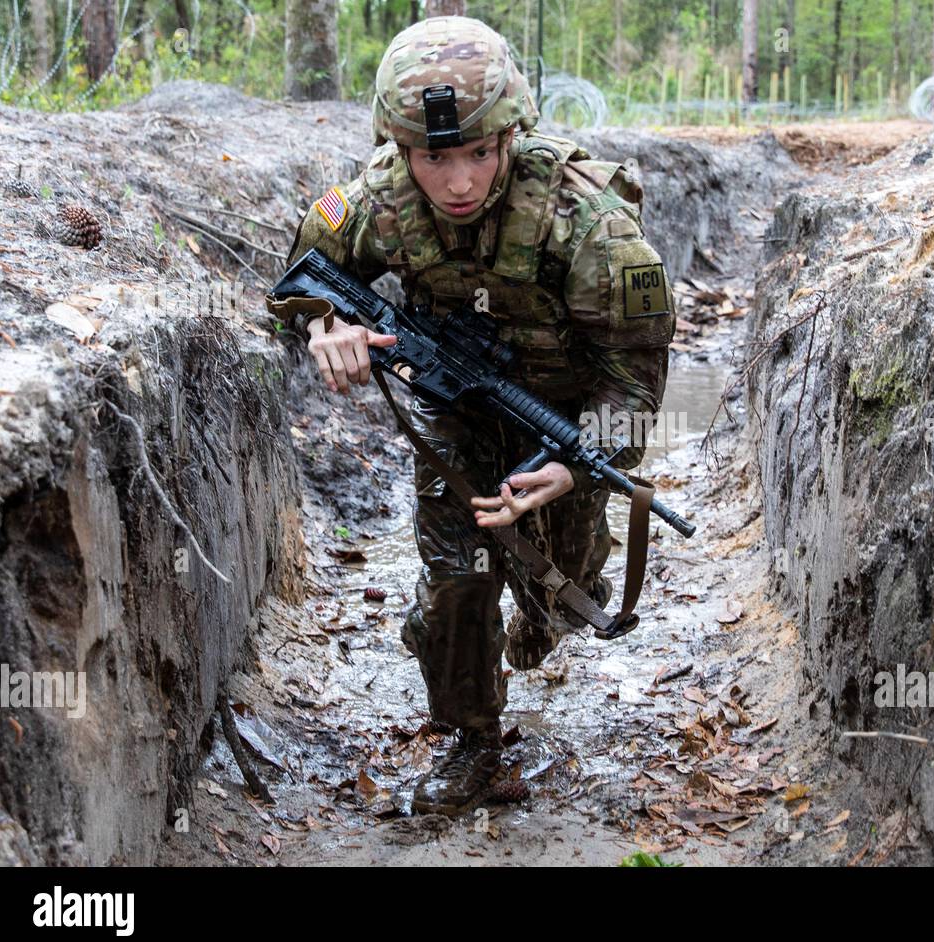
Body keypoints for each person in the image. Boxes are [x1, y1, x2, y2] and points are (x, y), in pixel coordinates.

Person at [280, 15, 675, 816]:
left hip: (563, 412)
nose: (458, 181)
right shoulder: (371, 201)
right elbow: (296, 280)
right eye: (434, 158)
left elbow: (634, 384)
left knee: (561, 596)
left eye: (478, 154)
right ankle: (473, 739)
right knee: (457, 580)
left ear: (511, 136)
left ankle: (537, 615)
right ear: (400, 148)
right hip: (449, 412)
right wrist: (328, 327)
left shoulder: (590, 223)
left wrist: (571, 462)